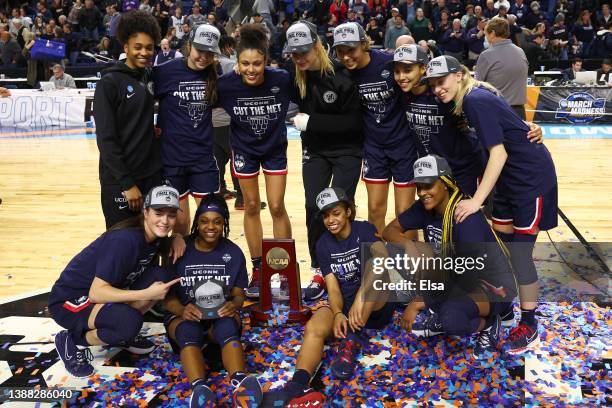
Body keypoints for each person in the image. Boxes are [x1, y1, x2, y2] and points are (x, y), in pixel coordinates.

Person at [426, 55, 558, 353]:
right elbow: (510, 124)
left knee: (521, 254)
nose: (437, 88)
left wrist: (476, 201)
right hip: (507, 183)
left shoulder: (476, 100)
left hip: (529, 180)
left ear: (459, 76)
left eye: (441, 81)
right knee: (502, 249)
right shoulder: (467, 100)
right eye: (432, 84)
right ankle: (507, 308)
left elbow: (499, 154)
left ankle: (529, 321)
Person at [264, 187, 394, 406]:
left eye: (336, 213)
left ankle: (350, 341)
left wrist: (361, 297)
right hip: (345, 303)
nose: (330, 220)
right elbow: (333, 288)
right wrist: (336, 313)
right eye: (325, 215)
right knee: (314, 327)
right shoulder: (323, 244)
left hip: (375, 300)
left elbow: (382, 261)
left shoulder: (364, 229)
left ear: (348, 212)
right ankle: (298, 384)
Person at [383, 156, 516, 359]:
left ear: (445, 183)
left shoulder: (464, 219)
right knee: (395, 250)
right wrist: (410, 245)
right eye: (419, 187)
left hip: (490, 286)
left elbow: (467, 278)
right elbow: (389, 231)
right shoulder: (425, 207)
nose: (422, 193)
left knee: (451, 320)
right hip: (453, 275)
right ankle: (443, 307)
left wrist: (423, 301)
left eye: (428, 186)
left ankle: (489, 322)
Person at [49, 185, 182, 378]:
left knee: (162, 275)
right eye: (159, 213)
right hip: (70, 301)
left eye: (171, 215)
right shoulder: (125, 240)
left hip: (96, 295)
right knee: (129, 323)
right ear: (145, 212)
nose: (165, 220)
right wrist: (146, 294)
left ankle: (119, 329)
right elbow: (96, 292)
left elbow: (166, 246)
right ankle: (73, 339)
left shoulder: (153, 237)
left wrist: (176, 237)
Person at [286, 21, 363, 301]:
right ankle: (320, 268)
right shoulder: (295, 75)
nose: (300, 58)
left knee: (340, 206)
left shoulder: (342, 75)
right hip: (316, 152)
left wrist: (312, 122)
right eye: (294, 54)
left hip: (347, 149)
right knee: (312, 206)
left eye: (304, 52)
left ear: (317, 45)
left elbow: (355, 124)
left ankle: (349, 265)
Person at [163, 195, 263, 407]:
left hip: (218, 319)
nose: (211, 227)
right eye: (205, 221)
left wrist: (233, 305)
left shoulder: (233, 253)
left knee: (228, 324)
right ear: (196, 223)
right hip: (185, 318)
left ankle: (240, 381)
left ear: (224, 223)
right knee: (189, 330)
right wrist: (182, 310)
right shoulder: (180, 250)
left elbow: (238, 294)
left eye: (217, 221)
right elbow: (167, 298)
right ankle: (200, 388)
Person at [217, 24, 293, 298]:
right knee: (250, 205)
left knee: (275, 205)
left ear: (266, 61)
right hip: (245, 150)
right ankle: (259, 270)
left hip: (274, 149)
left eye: (257, 63)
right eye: (245, 63)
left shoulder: (282, 79)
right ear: (236, 63)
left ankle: (283, 268)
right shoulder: (226, 85)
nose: (251, 69)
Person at [333, 22, 418, 235]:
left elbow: (422, 76)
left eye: (351, 50)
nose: (346, 57)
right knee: (375, 209)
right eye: (341, 52)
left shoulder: (390, 63)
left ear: (364, 44)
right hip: (374, 147)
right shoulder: (342, 72)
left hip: (403, 146)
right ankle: (379, 264)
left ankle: (411, 265)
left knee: (404, 212)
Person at [94, 10, 164, 230]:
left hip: (150, 177)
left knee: (151, 244)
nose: (144, 52)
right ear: (126, 48)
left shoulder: (148, 76)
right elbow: (106, 139)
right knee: (121, 246)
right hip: (121, 181)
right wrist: (127, 184)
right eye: (138, 47)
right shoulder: (110, 82)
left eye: (149, 47)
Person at [153, 24, 222, 237]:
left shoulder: (215, 73)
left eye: (210, 52)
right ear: (189, 45)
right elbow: (140, 101)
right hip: (172, 160)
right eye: (200, 50)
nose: (204, 56)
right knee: (181, 224)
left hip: (203, 159)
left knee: (211, 220)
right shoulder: (165, 71)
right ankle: (183, 266)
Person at [475, 17, 528, 119]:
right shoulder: (520, 51)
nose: (486, 38)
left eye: (486, 34)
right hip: (519, 112)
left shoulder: (486, 55)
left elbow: (477, 86)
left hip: (496, 111)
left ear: (493, 33)